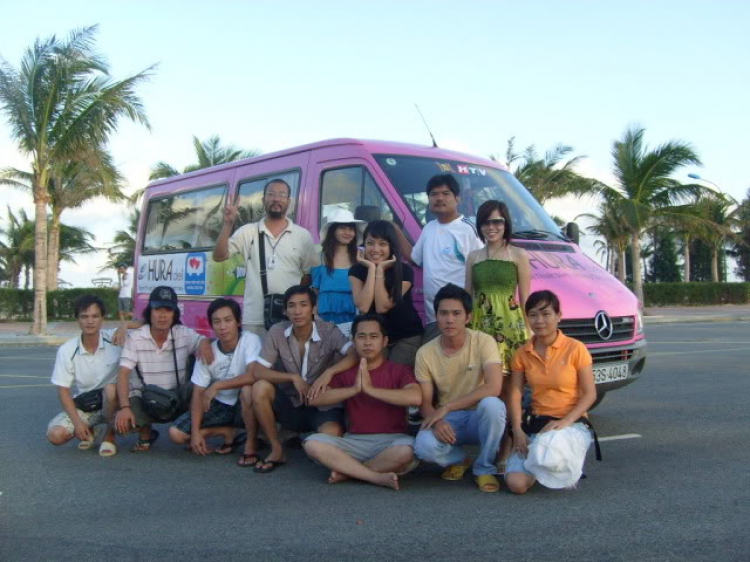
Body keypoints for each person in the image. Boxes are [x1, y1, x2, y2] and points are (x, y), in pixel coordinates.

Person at [305, 314, 422, 490]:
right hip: (354, 441)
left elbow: (415, 397)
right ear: (354, 341)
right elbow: (314, 399)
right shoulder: (347, 373)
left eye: (374, 337)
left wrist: (371, 390)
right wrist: (354, 389)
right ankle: (375, 477)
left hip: (391, 442)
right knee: (312, 443)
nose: (367, 342)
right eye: (361, 337)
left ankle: (348, 471)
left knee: (409, 449)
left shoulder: (398, 370)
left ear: (384, 341)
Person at [251, 285, 356, 473]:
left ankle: (313, 443)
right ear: (285, 311)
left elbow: (354, 354)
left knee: (331, 433)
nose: (297, 311)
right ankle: (277, 449)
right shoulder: (277, 331)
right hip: (292, 403)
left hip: (322, 405)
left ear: (313, 308)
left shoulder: (329, 330)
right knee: (259, 387)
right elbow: (258, 371)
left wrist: (329, 372)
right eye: (291, 306)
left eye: (303, 305)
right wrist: (292, 377)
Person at [413, 284, 506, 493]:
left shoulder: (484, 341)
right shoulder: (425, 353)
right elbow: (426, 403)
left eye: (456, 313)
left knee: (493, 406)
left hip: (478, 418)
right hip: (449, 422)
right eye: (443, 313)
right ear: (436, 316)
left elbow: (494, 386)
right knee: (423, 447)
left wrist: (447, 407)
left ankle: (484, 468)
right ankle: (461, 459)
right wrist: (437, 422)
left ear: (468, 317)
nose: (449, 320)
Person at [505, 290, 596, 494]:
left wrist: (565, 422)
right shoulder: (522, 353)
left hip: (572, 425)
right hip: (538, 424)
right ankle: (545, 462)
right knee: (516, 484)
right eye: (533, 315)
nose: (539, 321)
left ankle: (556, 459)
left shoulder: (576, 348)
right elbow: (515, 393)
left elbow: (590, 393)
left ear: (558, 316)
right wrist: (517, 430)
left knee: (549, 447)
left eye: (546, 314)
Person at [465, 200, 531, 470]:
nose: (491, 227)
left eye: (497, 222)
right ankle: (489, 446)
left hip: (510, 328)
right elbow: (467, 297)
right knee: (483, 389)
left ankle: (506, 448)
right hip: (481, 327)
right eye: (486, 222)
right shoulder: (474, 257)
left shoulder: (518, 255)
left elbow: (526, 298)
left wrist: (531, 335)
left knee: (507, 390)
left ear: (506, 225)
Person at [212, 178, 318, 337]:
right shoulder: (247, 232)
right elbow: (219, 256)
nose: (276, 199)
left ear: (289, 202)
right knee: (255, 362)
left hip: (290, 319)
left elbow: (309, 274)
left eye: (282, 195)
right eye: (271, 194)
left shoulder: (302, 236)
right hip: (255, 320)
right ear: (263, 200)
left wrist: (290, 299)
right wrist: (228, 224)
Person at [114, 286, 212, 452]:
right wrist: (124, 408)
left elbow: (205, 340)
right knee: (122, 426)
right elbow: (123, 374)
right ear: (150, 312)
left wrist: (204, 343)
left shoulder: (183, 333)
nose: (162, 315)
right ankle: (145, 434)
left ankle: (194, 431)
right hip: (148, 398)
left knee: (196, 387)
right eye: (157, 309)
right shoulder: (136, 337)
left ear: (174, 314)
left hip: (177, 397)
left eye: (168, 309)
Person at [168, 298, 262, 460]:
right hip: (220, 405)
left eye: (228, 320)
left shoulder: (250, 339)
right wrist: (196, 433)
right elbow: (198, 393)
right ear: (211, 325)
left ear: (238, 322)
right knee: (176, 434)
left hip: (244, 404)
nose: (223, 327)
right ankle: (227, 431)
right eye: (217, 322)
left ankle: (251, 442)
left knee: (248, 390)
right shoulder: (207, 351)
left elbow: (253, 375)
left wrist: (218, 385)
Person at [399, 174, 483, 338]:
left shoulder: (468, 230)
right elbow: (414, 258)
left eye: (445, 194)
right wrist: (394, 230)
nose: (439, 198)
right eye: (434, 194)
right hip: (433, 317)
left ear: (457, 198)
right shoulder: (429, 228)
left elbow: (481, 269)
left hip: (460, 320)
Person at [47, 295, 127, 457]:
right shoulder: (67, 350)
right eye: (84, 316)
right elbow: (63, 390)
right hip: (86, 405)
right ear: (77, 319)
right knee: (55, 435)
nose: (90, 321)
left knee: (111, 389)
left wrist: (126, 325)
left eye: (95, 316)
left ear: (102, 318)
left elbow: (147, 323)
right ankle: (92, 427)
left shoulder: (115, 339)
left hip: (113, 403)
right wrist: (77, 423)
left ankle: (110, 436)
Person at [349, 220, 424, 365]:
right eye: (370, 243)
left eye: (382, 244)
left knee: (393, 374)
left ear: (391, 246)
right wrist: (372, 269)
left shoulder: (405, 271)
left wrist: (380, 270)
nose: (375, 249)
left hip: (406, 336)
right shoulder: (356, 270)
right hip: (376, 337)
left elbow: (382, 306)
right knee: (376, 375)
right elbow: (363, 307)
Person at [311, 208, 365, 336]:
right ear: (332, 231)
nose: (348, 232)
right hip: (325, 324)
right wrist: (317, 321)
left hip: (355, 324)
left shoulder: (361, 257)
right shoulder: (319, 258)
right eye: (342, 228)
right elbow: (315, 294)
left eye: (351, 228)